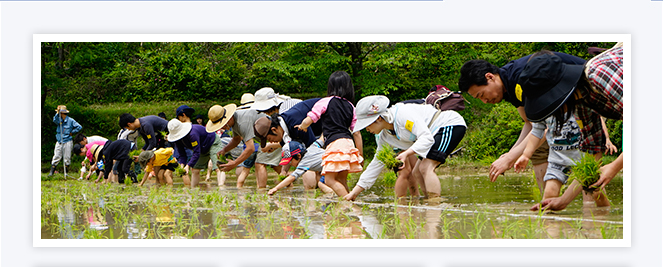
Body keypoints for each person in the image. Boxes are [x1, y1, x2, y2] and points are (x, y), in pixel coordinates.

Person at [458, 52, 586, 191]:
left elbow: (545, 127)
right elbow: (529, 122)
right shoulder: (508, 84)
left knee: (573, 151)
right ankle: (546, 201)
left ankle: (587, 204)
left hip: (586, 90)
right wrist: (510, 153)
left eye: (482, 94)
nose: (484, 101)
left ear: (490, 77)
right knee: (536, 147)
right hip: (564, 106)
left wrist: (510, 158)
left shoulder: (522, 78)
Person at [521, 44, 624, 211]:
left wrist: (614, 167)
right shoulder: (582, 102)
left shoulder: (600, 77)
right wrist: (563, 201)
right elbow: (592, 152)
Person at [344, 95, 466, 200]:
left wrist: (406, 153)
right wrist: (354, 193)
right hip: (434, 134)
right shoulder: (386, 136)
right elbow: (376, 164)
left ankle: (435, 205)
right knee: (417, 172)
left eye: (367, 124)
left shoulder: (402, 114)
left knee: (425, 167)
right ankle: (429, 202)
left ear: (378, 118)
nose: (366, 129)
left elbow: (426, 138)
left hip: (448, 124)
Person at [295, 71, 364, 197]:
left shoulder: (325, 101)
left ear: (331, 86)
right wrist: (360, 153)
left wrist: (302, 126)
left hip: (335, 144)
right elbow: (357, 132)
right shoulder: (351, 106)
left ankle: (349, 205)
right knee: (342, 180)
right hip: (348, 143)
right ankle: (347, 212)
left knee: (329, 180)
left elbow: (309, 119)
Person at [168, 116, 229, 188]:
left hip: (212, 142)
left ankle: (222, 189)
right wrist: (182, 165)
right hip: (202, 148)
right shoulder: (177, 140)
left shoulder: (192, 134)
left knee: (218, 167)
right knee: (194, 169)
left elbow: (197, 152)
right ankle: (194, 191)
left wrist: (188, 166)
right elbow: (182, 154)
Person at [267, 140, 333, 195]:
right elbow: (321, 140)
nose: (290, 164)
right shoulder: (312, 147)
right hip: (337, 161)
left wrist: (275, 188)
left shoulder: (304, 162)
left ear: (298, 156)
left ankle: (336, 197)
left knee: (321, 184)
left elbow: (292, 177)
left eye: (290, 161)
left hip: (332, 166)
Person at [48, 105, 82, 177]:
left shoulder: (71, 120)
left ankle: (65, 173)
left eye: (60, 113)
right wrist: (57, 113)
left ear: (63, 113)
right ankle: (51, 173)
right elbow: (54, 120)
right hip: (59, 140)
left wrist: (72, 132)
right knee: (56, 156)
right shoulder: (58, 120)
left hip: (67, 141)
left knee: (67, 157)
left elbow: (79, 127)